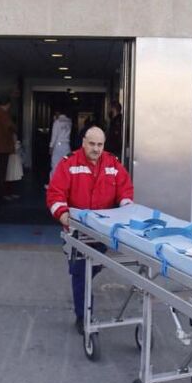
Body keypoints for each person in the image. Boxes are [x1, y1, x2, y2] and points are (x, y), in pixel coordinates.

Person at [46, 126, 134, 335]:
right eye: (92, 144)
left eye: (100, 145)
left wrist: (126, 208)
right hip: (76, 231)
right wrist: (63, 215)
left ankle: (82, 295)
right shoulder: (69, 164)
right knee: (81, 272)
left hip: (102, 233)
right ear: (83, 142)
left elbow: (125, 190)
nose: (96, 149)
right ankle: (83, 317)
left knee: (86, 270)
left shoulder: (113, 164)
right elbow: (55, 194)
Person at [47, 109, 72, 183]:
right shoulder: (69, 121)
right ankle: (65, 184)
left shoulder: (57, 122)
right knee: (66, 165)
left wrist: (51, 147)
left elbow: (54, 136)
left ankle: (53, 184)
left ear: (58, 113)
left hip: (58, 145)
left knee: (55, 165)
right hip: (67, 146)